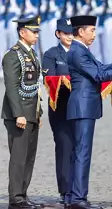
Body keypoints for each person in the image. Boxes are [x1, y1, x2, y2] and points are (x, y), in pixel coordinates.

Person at [67, 15, 112, 209]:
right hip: (82, 107)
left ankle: (73, 196)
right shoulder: (78, 51)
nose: (94, 34)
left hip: (83, 107)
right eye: (91, 30)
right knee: (82, 153)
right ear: (81, 31)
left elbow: (102, 67)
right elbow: (99, 75)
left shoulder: (81, 50)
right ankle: (77, 199)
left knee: (79, 152)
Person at [1, 15, 43, 209]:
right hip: (18, 116)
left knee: (29, 158)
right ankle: (16, 199)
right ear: (22, 32)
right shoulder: (12, 55)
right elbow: (11, 87)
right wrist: (19, 114)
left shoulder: (32, 54)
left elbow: (35, 86)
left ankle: (23, 196)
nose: (36, 35)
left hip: (31, 113)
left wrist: (38, 113)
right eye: (33, 32)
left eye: (37, 32)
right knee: (18, 158)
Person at [41, 18, 74, 206]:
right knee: (64, 148)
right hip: (60, 109)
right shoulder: (51, 54)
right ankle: (65, 191)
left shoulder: (81, 53)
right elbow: (50, 79)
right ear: (58, 34)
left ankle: (77, 190)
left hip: (79, 109)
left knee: (79, 150)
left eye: (72, 33)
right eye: (66, 33)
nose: (70, 36)